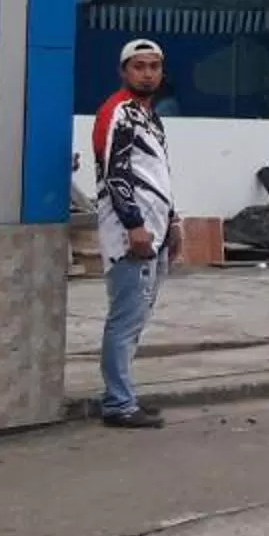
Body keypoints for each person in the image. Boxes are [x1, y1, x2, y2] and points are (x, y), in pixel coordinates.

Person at [90, 39, 175, 429]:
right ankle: (119, 403)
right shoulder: (118, 113)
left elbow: (158, 175)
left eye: (154, 67)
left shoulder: (150, 117)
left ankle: (123, 395)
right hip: (132, 236)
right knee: (125, 319)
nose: (148, 74)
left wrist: (172, 222)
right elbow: (116, 173)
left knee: (136, 318)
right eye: (139, 67)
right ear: (123, 71)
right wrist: (134, 225)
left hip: (155, 232)